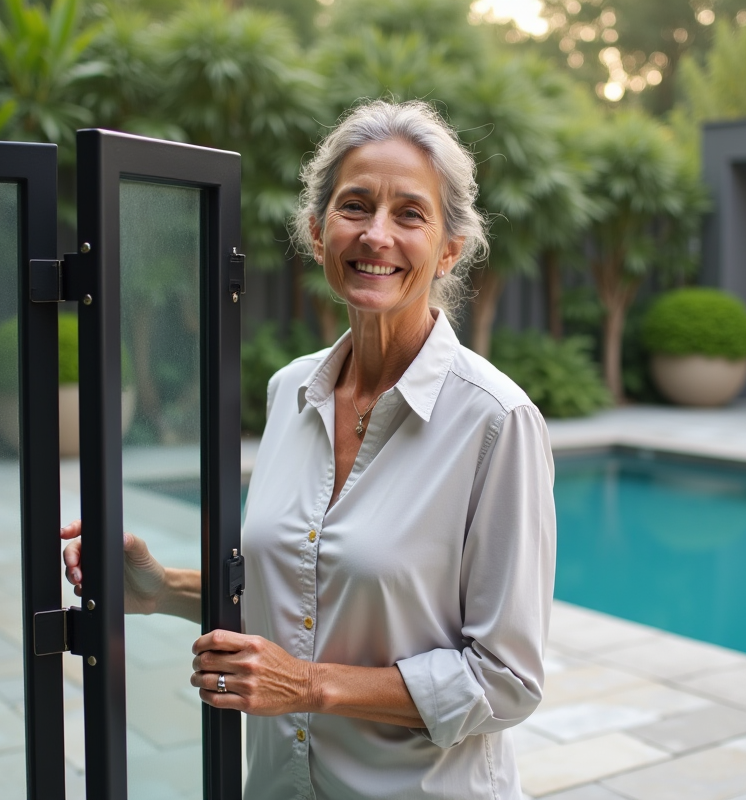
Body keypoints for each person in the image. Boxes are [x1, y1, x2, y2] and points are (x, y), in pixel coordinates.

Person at [62, 99, 556, 800]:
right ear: (318, 231)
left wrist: (309, 686)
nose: (376, 234)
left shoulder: (496, 423)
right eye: (355, 206)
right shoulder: (291, 391)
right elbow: (303, 589)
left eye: (409, 214)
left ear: (449, 247)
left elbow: (506, 681)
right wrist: (161, 588)